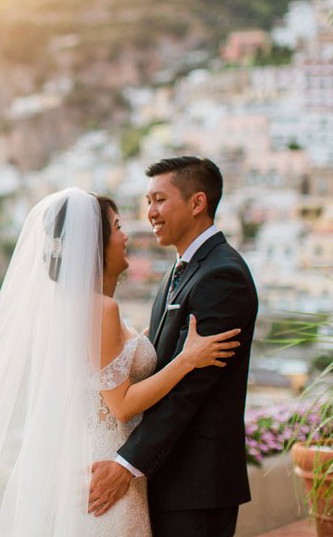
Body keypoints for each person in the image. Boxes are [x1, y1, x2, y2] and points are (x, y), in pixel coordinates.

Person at [0, 186, 241, 536]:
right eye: (117, 227)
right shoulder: (101, 309)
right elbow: (122, 406)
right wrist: (187, 360)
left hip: (85, 461)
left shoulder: (70, 307)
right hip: (105, 466)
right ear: (95, 245)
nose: (126, 235)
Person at [88, 157, 259, 537]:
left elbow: (188, 392)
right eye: (148, 201)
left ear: (197, 203)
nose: (150, 213)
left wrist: (126, 464)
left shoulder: (222, 276)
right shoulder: (175, 272)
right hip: (166, 478)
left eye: (159, 200)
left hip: (196, 485)